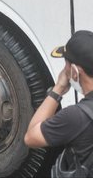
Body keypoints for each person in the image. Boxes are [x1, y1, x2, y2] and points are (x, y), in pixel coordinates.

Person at [24, 30, 93, 176]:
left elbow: (31, 137)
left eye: (66, 65)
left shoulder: (76, 117)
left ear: (74, 72)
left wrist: (58, 89)